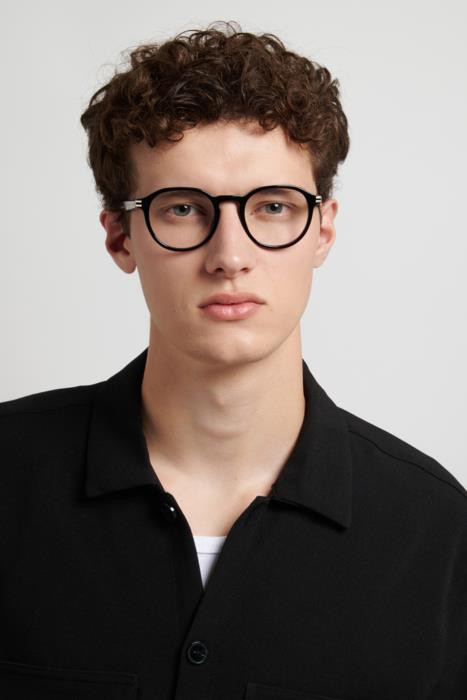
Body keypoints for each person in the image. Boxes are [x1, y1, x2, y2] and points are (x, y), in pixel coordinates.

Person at [1, 20, 466, 700]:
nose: (229, 256)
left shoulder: (435, 532)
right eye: (182, 209)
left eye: (272, 206)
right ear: (120, 237)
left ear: (321, 231)